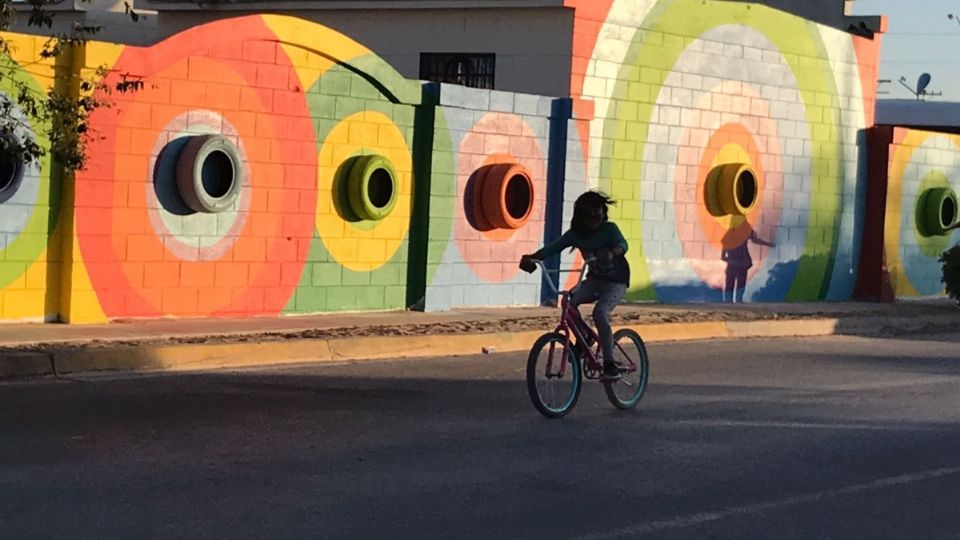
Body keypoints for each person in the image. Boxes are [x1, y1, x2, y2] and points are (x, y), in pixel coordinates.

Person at [519, 191, 629, 380]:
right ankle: (584, 336)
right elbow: (554, 247)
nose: (596, 218)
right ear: (581, 216)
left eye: (599, 212)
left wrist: (612, 251)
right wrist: (533, 258)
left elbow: (623, 245)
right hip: (595, 279)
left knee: (600, 313)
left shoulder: (609, 229)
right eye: (590, 214)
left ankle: (610, 364)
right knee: (568, 302)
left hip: (616, 281)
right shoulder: (576, 235)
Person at [721, 225, 774, 303]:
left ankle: (733, 303)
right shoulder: (731, 236)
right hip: (737, 265)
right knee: (732, 287)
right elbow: (723, 257)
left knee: (737, 287)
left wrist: (768, 244)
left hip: (740, 265)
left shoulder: (740, 232)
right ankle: (730, 303)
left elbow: (754, 239)